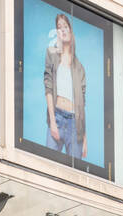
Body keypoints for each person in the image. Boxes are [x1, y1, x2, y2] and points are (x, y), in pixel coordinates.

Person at [43, 13, 87, 159]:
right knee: (48, 167)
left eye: (65, 26)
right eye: (59, 27)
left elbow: (82, 105)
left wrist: (84, 138)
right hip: (57, 116)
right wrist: (53, 121)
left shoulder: (79, 67)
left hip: (75, 124)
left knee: (74, 177)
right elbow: (48, 88)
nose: (63, 30)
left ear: (71, 31)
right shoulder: (52, 54)